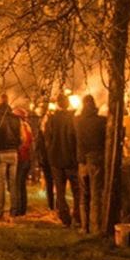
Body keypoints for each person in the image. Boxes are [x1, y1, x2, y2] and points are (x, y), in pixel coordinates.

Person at [44, 94, 80, 228]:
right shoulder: (74, 118)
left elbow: (47, 138)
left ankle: (65, 218)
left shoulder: (52, 120)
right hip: (71, 159)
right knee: (77, 191)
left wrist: (51, 152)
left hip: (56, 159)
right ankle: (78, 215)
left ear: (58, 104)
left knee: (60, 190)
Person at [75, 95, 107, 233]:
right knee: (96, 194)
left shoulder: (77, 121)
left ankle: (84, 226)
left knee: (84, 194)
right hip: (97, 159)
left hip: (82, 160)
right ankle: (96, 226)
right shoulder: (102, 121)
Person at [0, 91, 21, 222]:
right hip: (13, 153)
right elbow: (21, 136)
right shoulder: (16, 118)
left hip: (0, 152)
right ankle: (13, 211)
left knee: (0, 183)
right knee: (13, 183)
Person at [11, 105, 33, 216]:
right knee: (22, 185)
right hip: (26, 159)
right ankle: (22, 208)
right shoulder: (28, 126)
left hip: (21, 158)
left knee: (17, 184)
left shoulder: (21, 127)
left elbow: (23, 144)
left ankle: (18, 209)